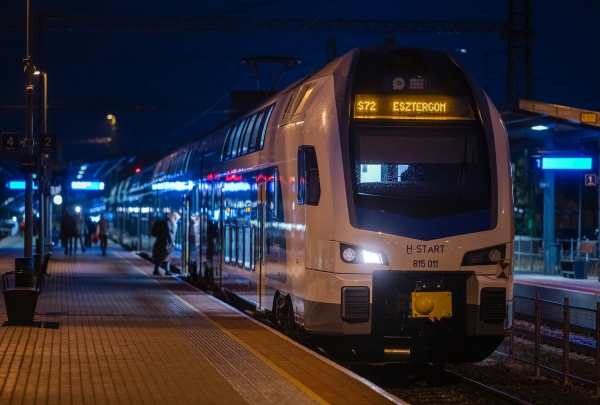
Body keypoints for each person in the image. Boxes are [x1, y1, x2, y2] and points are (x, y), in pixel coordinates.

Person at [152, 211, 180, 276]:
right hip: (164, 243)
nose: (177, 220)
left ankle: (167, 270)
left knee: (168, 257)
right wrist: (171, 242)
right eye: (177, 219)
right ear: (174, 217)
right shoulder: (167, 223)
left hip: (168, 243)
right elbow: (169, 233)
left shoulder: (173, 223)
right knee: (162, 256)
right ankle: (156, 269)